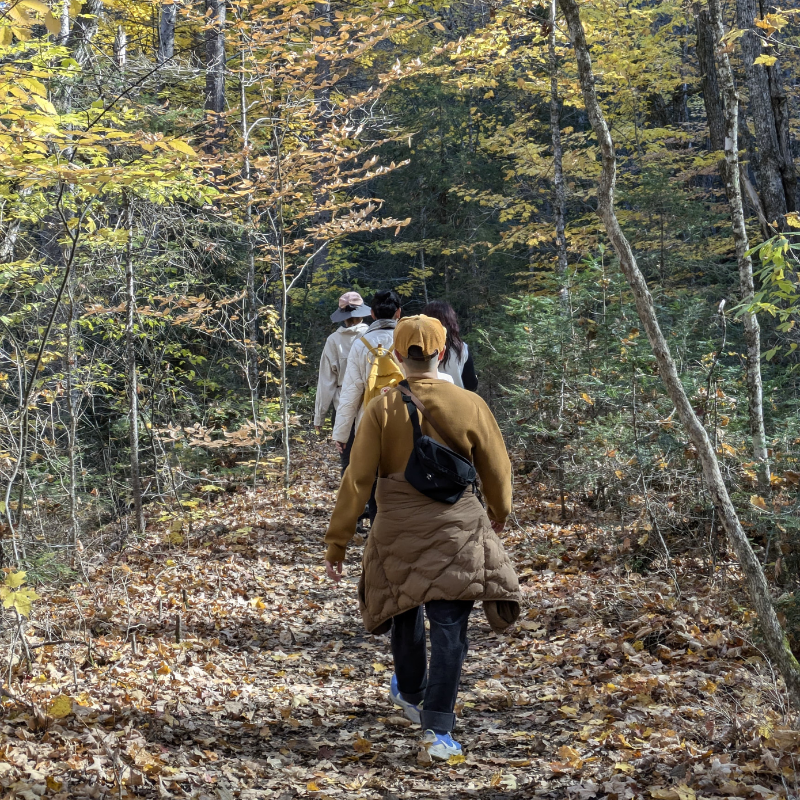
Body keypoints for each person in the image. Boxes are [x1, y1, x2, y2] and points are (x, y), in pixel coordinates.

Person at [323, 315, 520, 761]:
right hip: (458, 527)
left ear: (396, 356)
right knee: (450, 627)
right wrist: (499, 513)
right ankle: (438, 731)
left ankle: (410, 692)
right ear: (444, 351)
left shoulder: (381, 408)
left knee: (404, 609)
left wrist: (338, 542)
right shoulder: (471, 405)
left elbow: (357, 480)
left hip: (397, 528)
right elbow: (498, 470)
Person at [314, 292, 372, 473]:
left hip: (343, 408)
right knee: (373, 462)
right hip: (371, 406)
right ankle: (372, 501)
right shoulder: (372, 336)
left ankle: (351, 500)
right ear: (361, 314)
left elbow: (326, 382)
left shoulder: (333, 341)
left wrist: (319, 416)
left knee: (348, 464)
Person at [422, 300, 478, 391]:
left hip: (426, 402)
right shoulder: (462, 348)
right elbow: (471, 385)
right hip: (457, 402)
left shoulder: (419, 348)